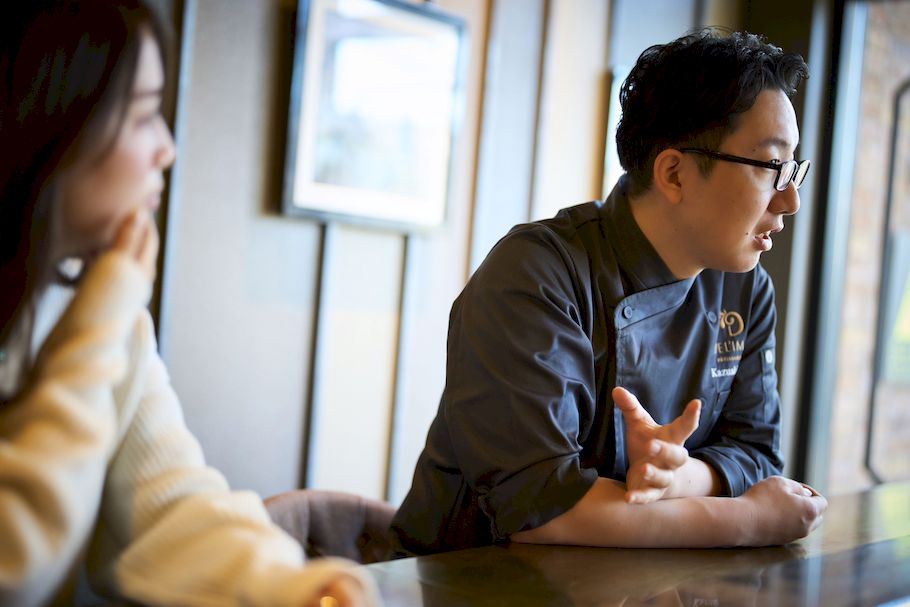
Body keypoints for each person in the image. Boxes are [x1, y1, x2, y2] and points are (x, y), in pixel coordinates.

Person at [391, 28, 828, 555]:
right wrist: (748, 521)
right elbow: (542, 508)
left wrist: (681, 476)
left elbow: (755, 451)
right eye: (771, 167)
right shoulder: (536, 275)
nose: (790, 201)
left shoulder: (744, 287)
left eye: (793, 168)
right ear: (674, 173)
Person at [0, 2, 379, 605]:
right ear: (55, 117)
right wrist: (101, 319)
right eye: (146, 114)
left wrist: (298, 588)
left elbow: (170, 509)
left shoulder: (102, 309)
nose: (167, 149)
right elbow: (15, 561)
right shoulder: (103, 311)